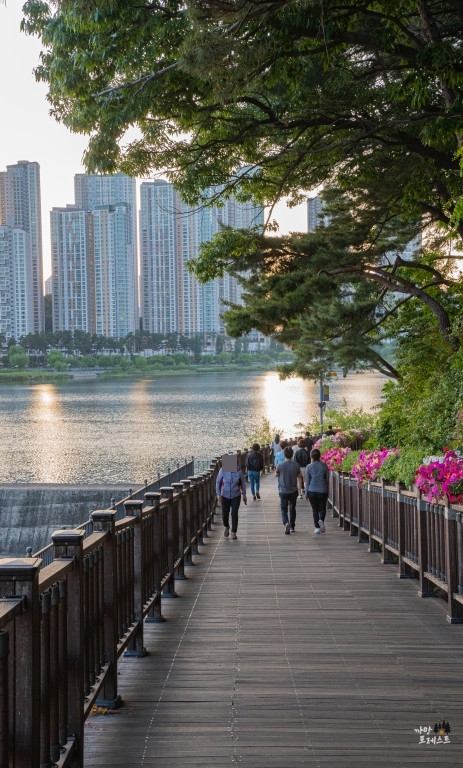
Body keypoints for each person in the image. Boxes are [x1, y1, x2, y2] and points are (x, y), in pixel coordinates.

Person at [216, 463, 247, 539]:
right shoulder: (222, 470)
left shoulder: (239, 471)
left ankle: (233, 532)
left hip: (236, 495)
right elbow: (218, 483)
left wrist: (244, 495)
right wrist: (219, 495)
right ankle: (226, 526)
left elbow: (243, 483)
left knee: (234, 513)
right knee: (225, 514)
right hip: (225, 495)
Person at [275, 445, 302, 534]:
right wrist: (300, 489)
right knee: (292, 509)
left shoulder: (280, 465)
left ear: (284, 455)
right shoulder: (296, 465)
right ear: (292, 455)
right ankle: (292, 527)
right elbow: (299, 477)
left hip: (283, 491)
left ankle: (286, 523)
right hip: (293, 490)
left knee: (283, 509)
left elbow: (276, 474)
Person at [305, 448, 329, 534]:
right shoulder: (324, 466)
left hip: (312, 490)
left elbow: (307, 482)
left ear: (311, 456)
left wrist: (306, 494)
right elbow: (327, 479)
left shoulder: (309, 467)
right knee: (322, 508)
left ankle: (317, 527)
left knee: (315, 509)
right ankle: (321, 520)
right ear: (319, 456)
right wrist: (327, 489)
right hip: (322, 490)